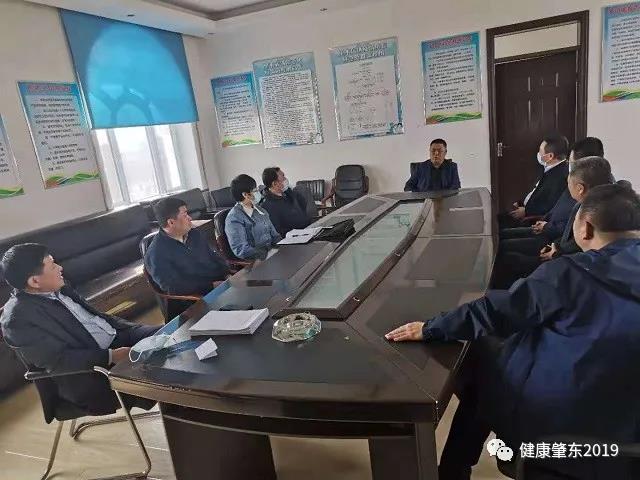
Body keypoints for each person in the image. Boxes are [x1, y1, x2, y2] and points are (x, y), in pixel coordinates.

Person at [386, 183, 640, 480]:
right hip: (629, 436)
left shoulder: (570, 273)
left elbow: (497, 312)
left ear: (584, 228)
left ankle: (454, 470)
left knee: (482, 365)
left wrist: (431, 327)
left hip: (562, 423)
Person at [0, 243, 159, 414]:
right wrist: (112, 356)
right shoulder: (17, 320)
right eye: (52, 265)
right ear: (35, 281)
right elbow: (58, 361)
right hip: (93, 371)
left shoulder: (58, 286)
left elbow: (97, 317)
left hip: (117, 337)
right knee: (164, 372)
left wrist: (135, 330)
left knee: (171, 336)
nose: (60, 268)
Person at [494, 156, 615, 289]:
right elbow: (569, 236)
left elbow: (582, 248)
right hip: (558, 250)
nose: (567, 187)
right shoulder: (588, 203)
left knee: (509, 260)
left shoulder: (594, 213)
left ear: (580, 188)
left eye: (569, 183)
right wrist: (555, 246)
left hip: (566, 267)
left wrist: (558, 252)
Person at [145, 197, 229, 296]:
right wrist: (211, 286)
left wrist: (227, 273)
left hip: (221, 284)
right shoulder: (156, 253)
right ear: (171, 222)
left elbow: (213, 256)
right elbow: (173, 286)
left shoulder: (194, 234)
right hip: (198, 297)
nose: (190, 218)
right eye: (185, 215)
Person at [499, 134, 569, 228]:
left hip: (532, 220)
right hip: (525, 210)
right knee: (497, 219)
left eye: (540, 151)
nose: (538, 154)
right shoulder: (549, 168)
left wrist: (526, 211)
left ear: (550, 156)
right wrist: (521, 202)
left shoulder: (560, 177)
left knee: (497, 226)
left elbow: (549, 207)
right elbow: (536, 192)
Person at [225, 174, 281, 260]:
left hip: (273, 254)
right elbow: (242, 249)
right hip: (257, 261)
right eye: (255, 190)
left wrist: (283, 246)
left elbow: (275, 236)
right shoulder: (234, 218)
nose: (258, 192)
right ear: (245, 195)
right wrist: (267, 254)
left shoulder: (261, 210)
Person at [260, 167, 311, 237]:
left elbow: (304, 209)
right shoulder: (268, 206)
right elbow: (278, 231)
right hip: (294, 238)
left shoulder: (291, 194)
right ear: (274, 183)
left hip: (308, 231)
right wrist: (299, 233)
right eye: (283, 176)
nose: (286, 179)